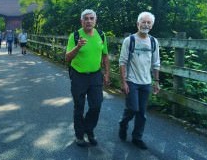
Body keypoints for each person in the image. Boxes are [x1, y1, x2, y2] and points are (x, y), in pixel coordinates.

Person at [65, 9, 110, 147]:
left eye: (91, 18)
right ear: (81, 21)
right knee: (79, 106)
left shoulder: (101, 35)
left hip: (95, 75)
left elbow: (105, 55)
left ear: (95, 21)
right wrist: (78, 47)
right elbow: (67, 58)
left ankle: (89, 130)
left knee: (96, 105)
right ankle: (79, 135)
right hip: (78, 75)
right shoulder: (75, 35)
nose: (89, 21)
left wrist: (107, 73)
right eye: (86, 18)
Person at [118, 11, 160, 150]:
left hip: (146, 82)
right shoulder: (129, 40)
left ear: (151, 26)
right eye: (143, 22)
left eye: (149, 22)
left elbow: (156, 63)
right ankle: (123, 124)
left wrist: (156, 81)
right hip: (131, 81)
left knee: (142, 113)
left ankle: (137, 137)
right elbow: (122, 62)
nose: (146, 24)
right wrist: (123, 82)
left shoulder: (154, 42)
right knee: (133, 108)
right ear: (138, 23)